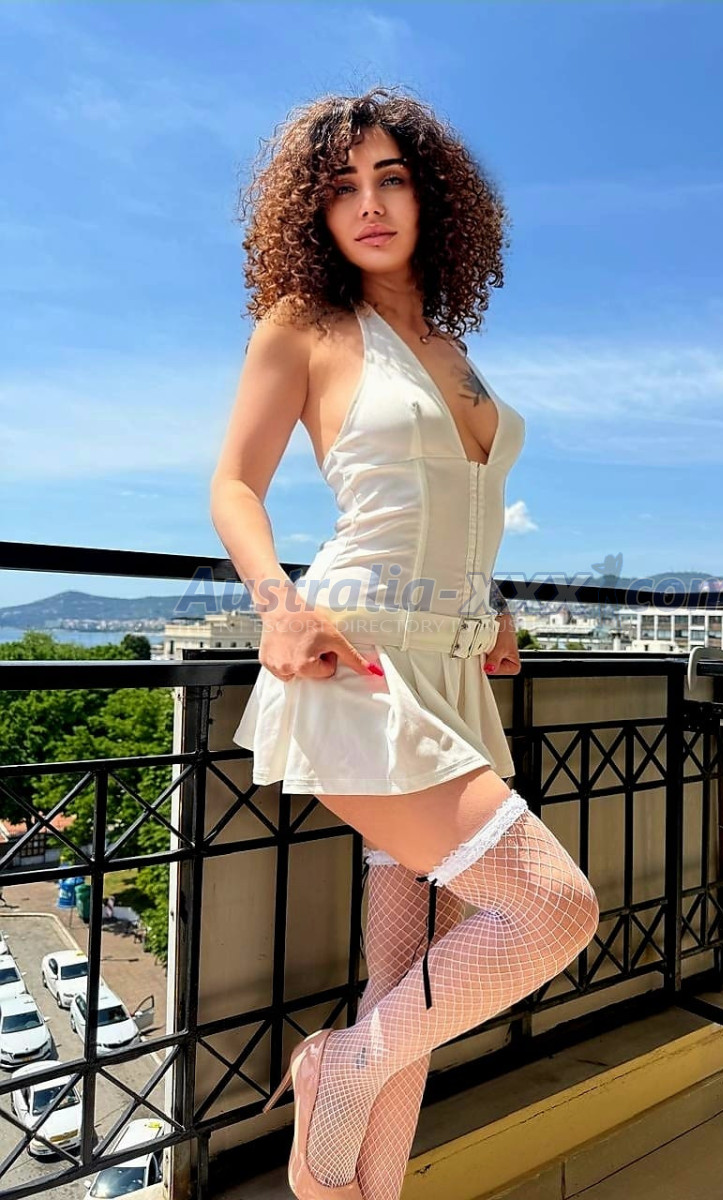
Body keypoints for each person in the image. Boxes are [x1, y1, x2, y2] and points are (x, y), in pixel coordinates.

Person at [209, 86, 599, 1200]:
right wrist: (278, 604)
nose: (370, 205)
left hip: (451, 664)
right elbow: (234, 484)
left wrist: (488, 609)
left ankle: (357, 1188)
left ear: (433, 198)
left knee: (408, 981)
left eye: (392, 179)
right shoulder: (304, 323)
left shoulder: (453, 350)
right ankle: (334, 1067)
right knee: (555, 909)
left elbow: (454, 505)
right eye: (342, 188)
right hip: (358, 662)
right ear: (314, 213)